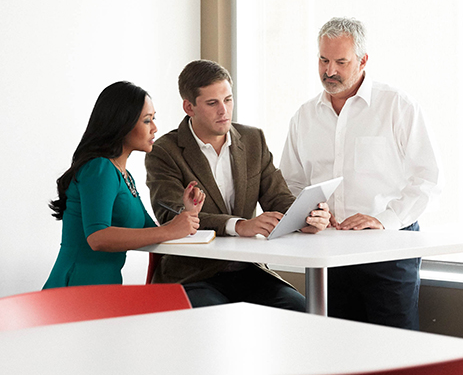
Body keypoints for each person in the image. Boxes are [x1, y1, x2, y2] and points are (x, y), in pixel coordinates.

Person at [279, 17, 441, 329]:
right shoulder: (304, 117)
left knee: (396, 350)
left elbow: (428, 177)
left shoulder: (396, 105)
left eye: (341, 61)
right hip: (328, 253)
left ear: (363, 61)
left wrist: (385, 220)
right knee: (338, 348)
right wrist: (307, 216)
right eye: (324, 60)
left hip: (389, 251)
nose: (330, 71)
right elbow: (290, 183)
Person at [144, 59, 330, 310]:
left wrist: (308, 217)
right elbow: (171, 214)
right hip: (192, 275)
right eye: (212, 103)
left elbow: (278, 198)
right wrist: (238, 225)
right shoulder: (165, 152)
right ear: (189, 107)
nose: (224, 111)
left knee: (303, 311)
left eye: (228, 99)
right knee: (218, 323)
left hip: (249, 271)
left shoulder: (253, 140)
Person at [44, 81, 204, 289]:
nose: (155, 128)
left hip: (103, 290)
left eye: (154, 119)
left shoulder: (124, 175)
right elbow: (98, 238)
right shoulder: (99, 168)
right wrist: (171, 230)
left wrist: (187, 213)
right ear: (122, 123)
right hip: (76, 289)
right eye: (147, 121)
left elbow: (151, 232)